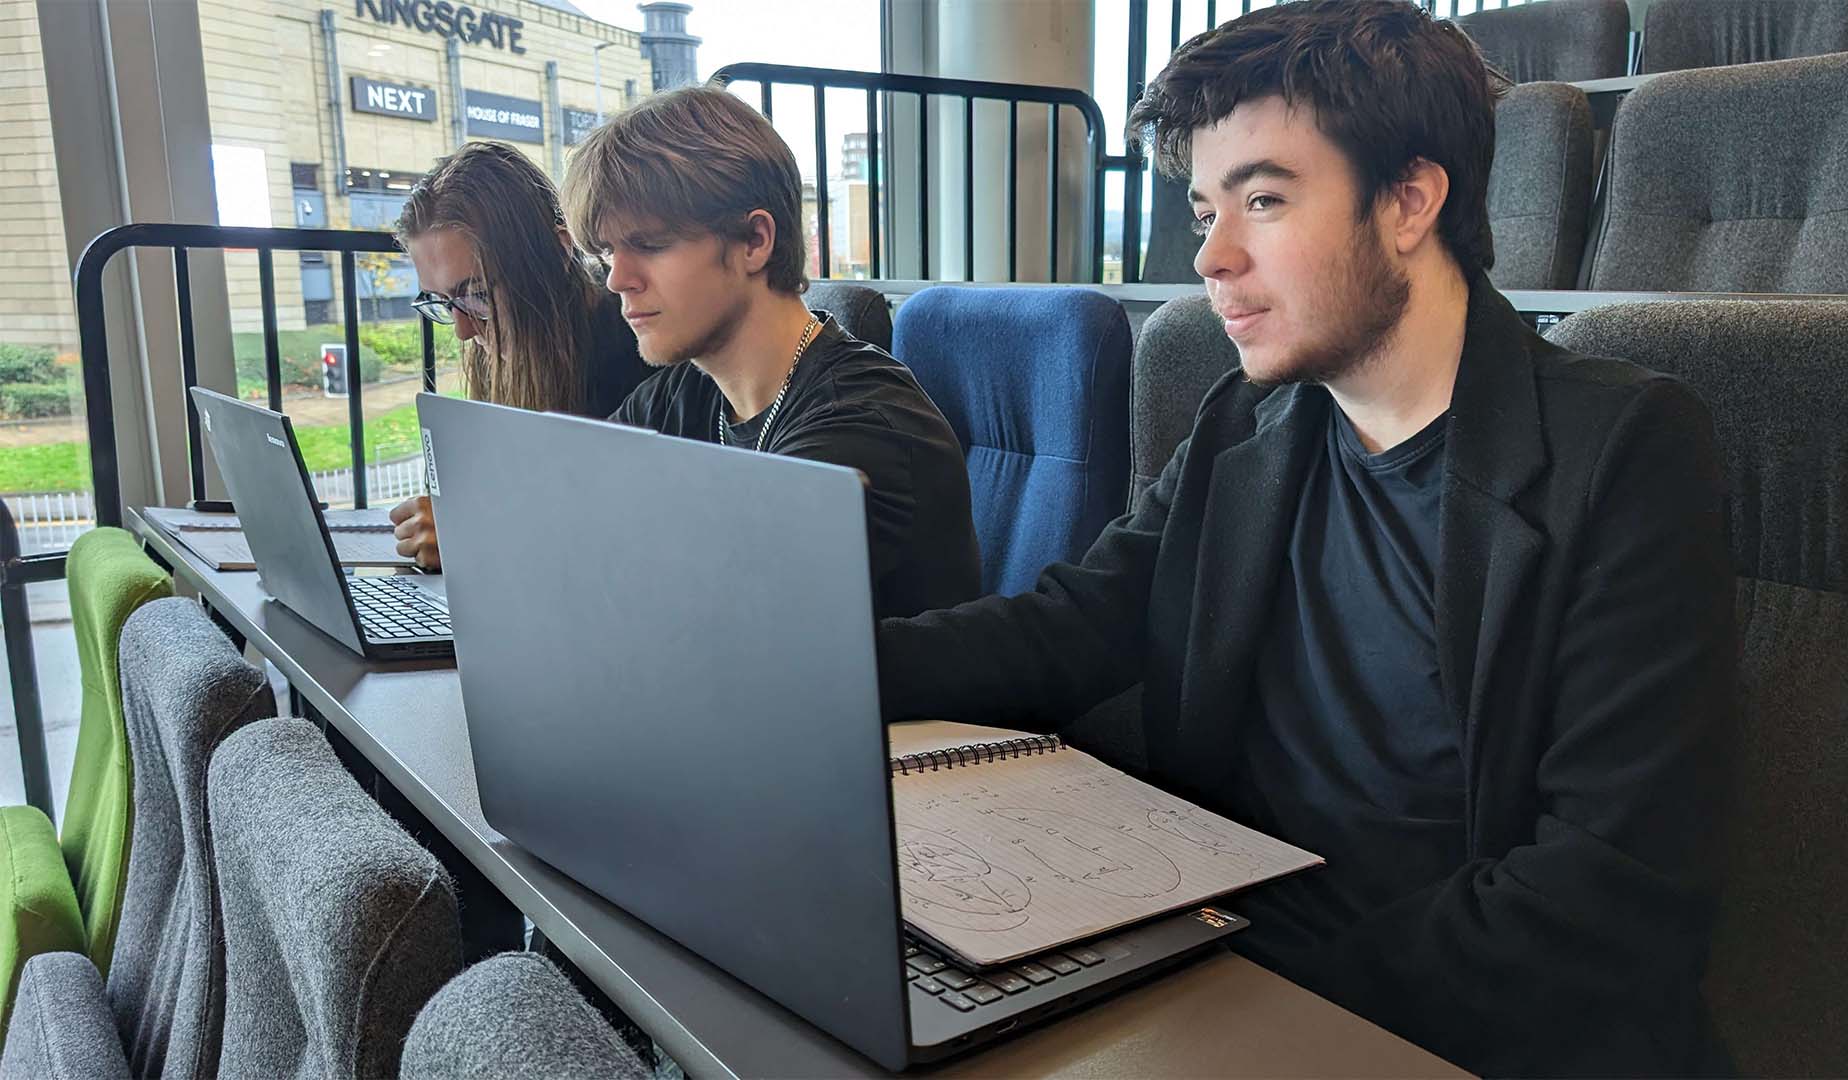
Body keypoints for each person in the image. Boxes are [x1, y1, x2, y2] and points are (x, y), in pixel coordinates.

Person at [875, 3, 1735, 1075]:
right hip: (1218, 959)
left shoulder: (1624, 450)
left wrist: (1240, 1017)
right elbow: (1074, 626)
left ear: (1412, 200)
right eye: (1202, 212)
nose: (1214, 258)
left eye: (1265, 201)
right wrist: (824, 671)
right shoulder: (1248, 423)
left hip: (1445, 1024)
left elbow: (1604, 889)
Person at [559, 85, 982, 619]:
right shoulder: (684, 390)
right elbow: (572, 502)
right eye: (606, 253)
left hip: (873, 704)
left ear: (755, 241)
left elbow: (709, 613)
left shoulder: (863, 425)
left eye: (649, 244)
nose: (618, 279)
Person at [388, 140, 651, 565]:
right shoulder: (506, 349)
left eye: (475, 295)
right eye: (442, 301)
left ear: (558, 251)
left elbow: (632, 540)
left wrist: (477, 534)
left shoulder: (637, 359)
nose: (463, 329)